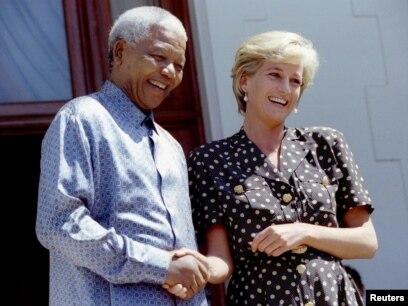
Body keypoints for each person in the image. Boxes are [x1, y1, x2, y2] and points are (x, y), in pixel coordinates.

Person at [169, 31, 378, 305]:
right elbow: (222, 259)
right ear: (245, 81)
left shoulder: (326, 144)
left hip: (333, 297)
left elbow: (367, 242)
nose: (285, 89)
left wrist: (303, 231)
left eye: (295, 81)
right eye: (275, 75)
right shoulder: (209, 160)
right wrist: (198, 269)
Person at [35, 6, 208, 306]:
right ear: (120, 52)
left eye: (178, 65)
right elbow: (59, 223)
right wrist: (160, 266)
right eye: (159, 57)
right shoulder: (82, 119)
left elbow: (182, 255)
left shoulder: (171, 146)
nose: (169, 72)